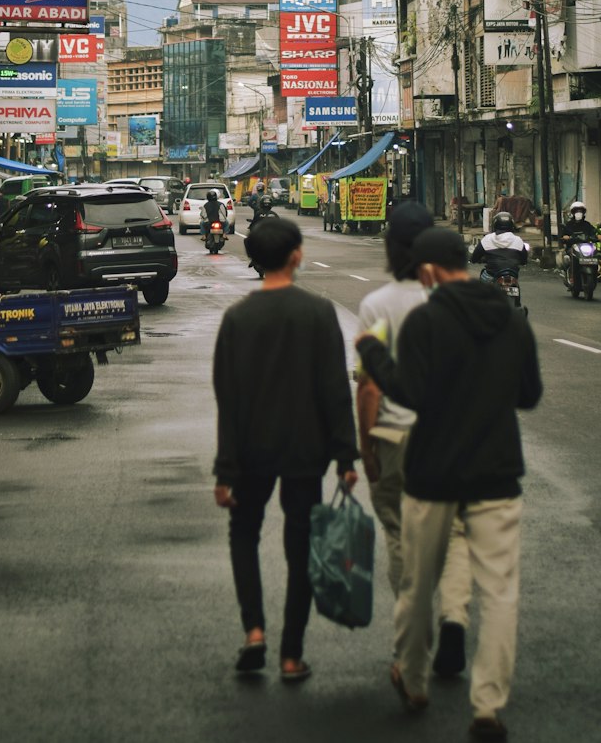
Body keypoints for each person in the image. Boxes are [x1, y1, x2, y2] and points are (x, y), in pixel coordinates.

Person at [357, 228, 542, 740]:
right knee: (500, 592)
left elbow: (409, 393)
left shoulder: (425, 321)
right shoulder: (511, 318)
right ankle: (487, 707)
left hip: (433, 473)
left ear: (433, 270)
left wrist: (373, 355)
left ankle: (413, 680)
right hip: (498, 474)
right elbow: (528, 396)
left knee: (417, 584)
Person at [213, 214, 359, 682]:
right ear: (296, 256)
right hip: (305, 451)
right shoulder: (318, 313)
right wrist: (345, 457)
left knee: (243, 534)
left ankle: (254, 631)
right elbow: (335, 388)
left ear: (253, 259)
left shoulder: (237, 319)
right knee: (300, 547)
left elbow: (228, 398)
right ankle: (291, 655)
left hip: (251, 450)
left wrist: (225, 469)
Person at [356, 202, 471, 677]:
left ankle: (415, 632)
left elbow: (369, 384)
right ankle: (455, 617)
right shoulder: (452, 301)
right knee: (458, 533)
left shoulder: (377, 305)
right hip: (451, 436)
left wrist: (366, 446)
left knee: (402, 533)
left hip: (395, 435)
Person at [471, 210, 531, 284]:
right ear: (511, 225)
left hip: (492, 274)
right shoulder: (517, 240)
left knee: (484, 280)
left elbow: (475, 257)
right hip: (512, 274)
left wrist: (476, 260)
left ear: (494, 224)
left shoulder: (487, 239)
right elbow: (524, 259)